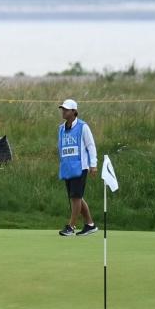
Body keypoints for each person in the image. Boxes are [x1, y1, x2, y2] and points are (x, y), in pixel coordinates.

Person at [57, 100, 98, 237]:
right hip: (68, 167)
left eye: (66, 110)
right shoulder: (61, 128)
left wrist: (93, 164)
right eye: (63, 109)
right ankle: (90, 224)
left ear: (74, 112)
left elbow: (90, 146)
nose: (63, 111)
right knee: (76, 197)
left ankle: (71, 226)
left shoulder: (82, 127)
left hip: (81, 167)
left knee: (75, 197)